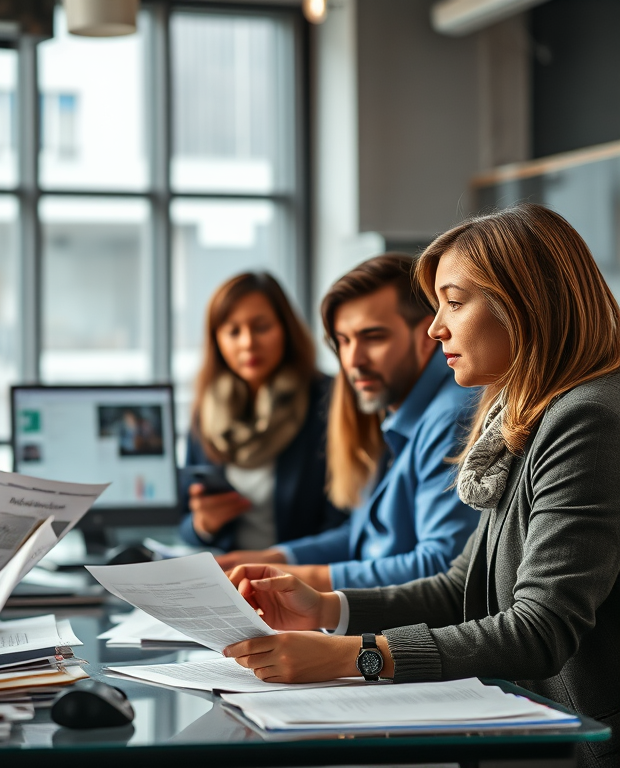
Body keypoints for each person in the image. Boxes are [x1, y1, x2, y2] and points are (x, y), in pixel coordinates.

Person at [224, 204, 620, 768]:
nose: (436, 327)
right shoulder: (524, 414)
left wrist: (354, 656)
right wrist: (325, 607)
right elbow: (461, 587)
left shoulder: (588, 417)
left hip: (581, 748)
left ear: (526, 305)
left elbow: (540, 629)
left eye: (454, 303)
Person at [217, 254, 480, 592]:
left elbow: (441, 565)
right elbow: (362, 539)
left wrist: (293, 580)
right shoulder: (391, 410)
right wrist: (273, 559)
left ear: (426, 334)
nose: (353, 360)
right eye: (343, 341)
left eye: (373, 337)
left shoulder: (452, 417)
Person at [179, 272, 344, 552]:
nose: (248, 343)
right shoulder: (206, 411)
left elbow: (346, 522)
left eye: (261, 327)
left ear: (285, 329)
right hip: (227, 581)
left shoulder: (329, 401)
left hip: (302, 583)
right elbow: (184, 521)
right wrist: (203, 525)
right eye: (233, 331)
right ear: (216, 341)